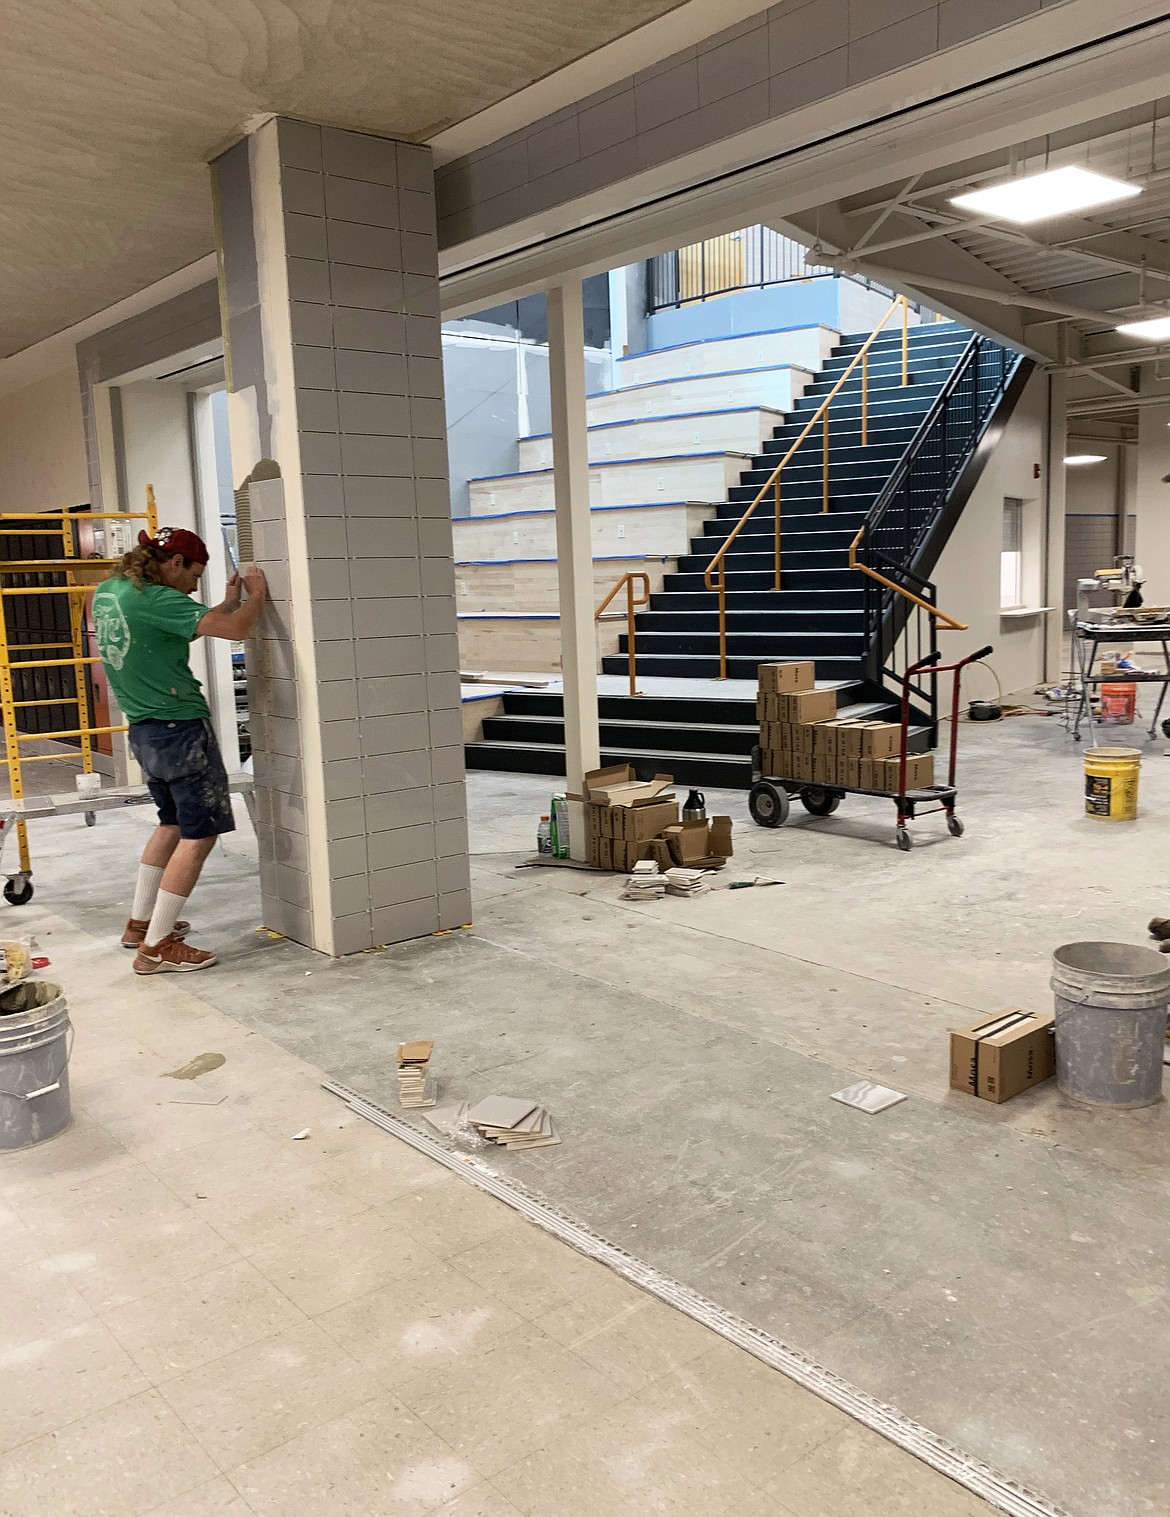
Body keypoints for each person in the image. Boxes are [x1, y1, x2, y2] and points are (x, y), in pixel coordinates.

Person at [92, 527, 267, 974]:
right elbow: (236, 630)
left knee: (170, 822)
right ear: (175, 564)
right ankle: (158, 947)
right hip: (180, 729)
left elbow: (166, 633)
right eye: (194, 575)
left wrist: (225, 604)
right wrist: (256, 596)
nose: (194, 586)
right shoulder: (159, 599)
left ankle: (139, 924)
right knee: (199, 834)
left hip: (146, 730)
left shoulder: (113, 591)